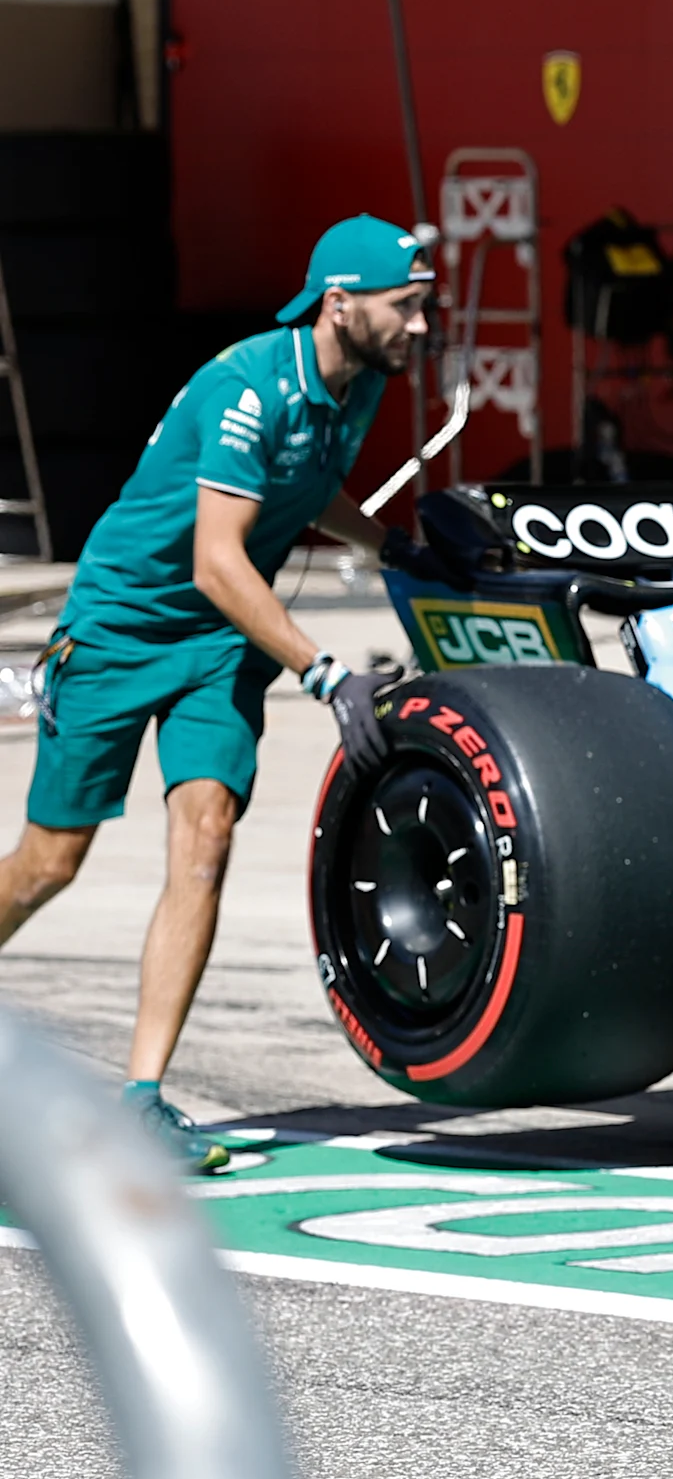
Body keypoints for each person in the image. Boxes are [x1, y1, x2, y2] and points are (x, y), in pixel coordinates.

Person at [0, 215, 431, 1171]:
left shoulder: (356, 386)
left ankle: (144, 1096)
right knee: (49, 862)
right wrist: (324, 673)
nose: (419, 326)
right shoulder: (247, 385)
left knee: (205, 840)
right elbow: (214, 560)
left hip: (219, 645)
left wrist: (390, 544)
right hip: (123, 625)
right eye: (406, 307)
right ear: (341, 304)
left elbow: (308, 489)